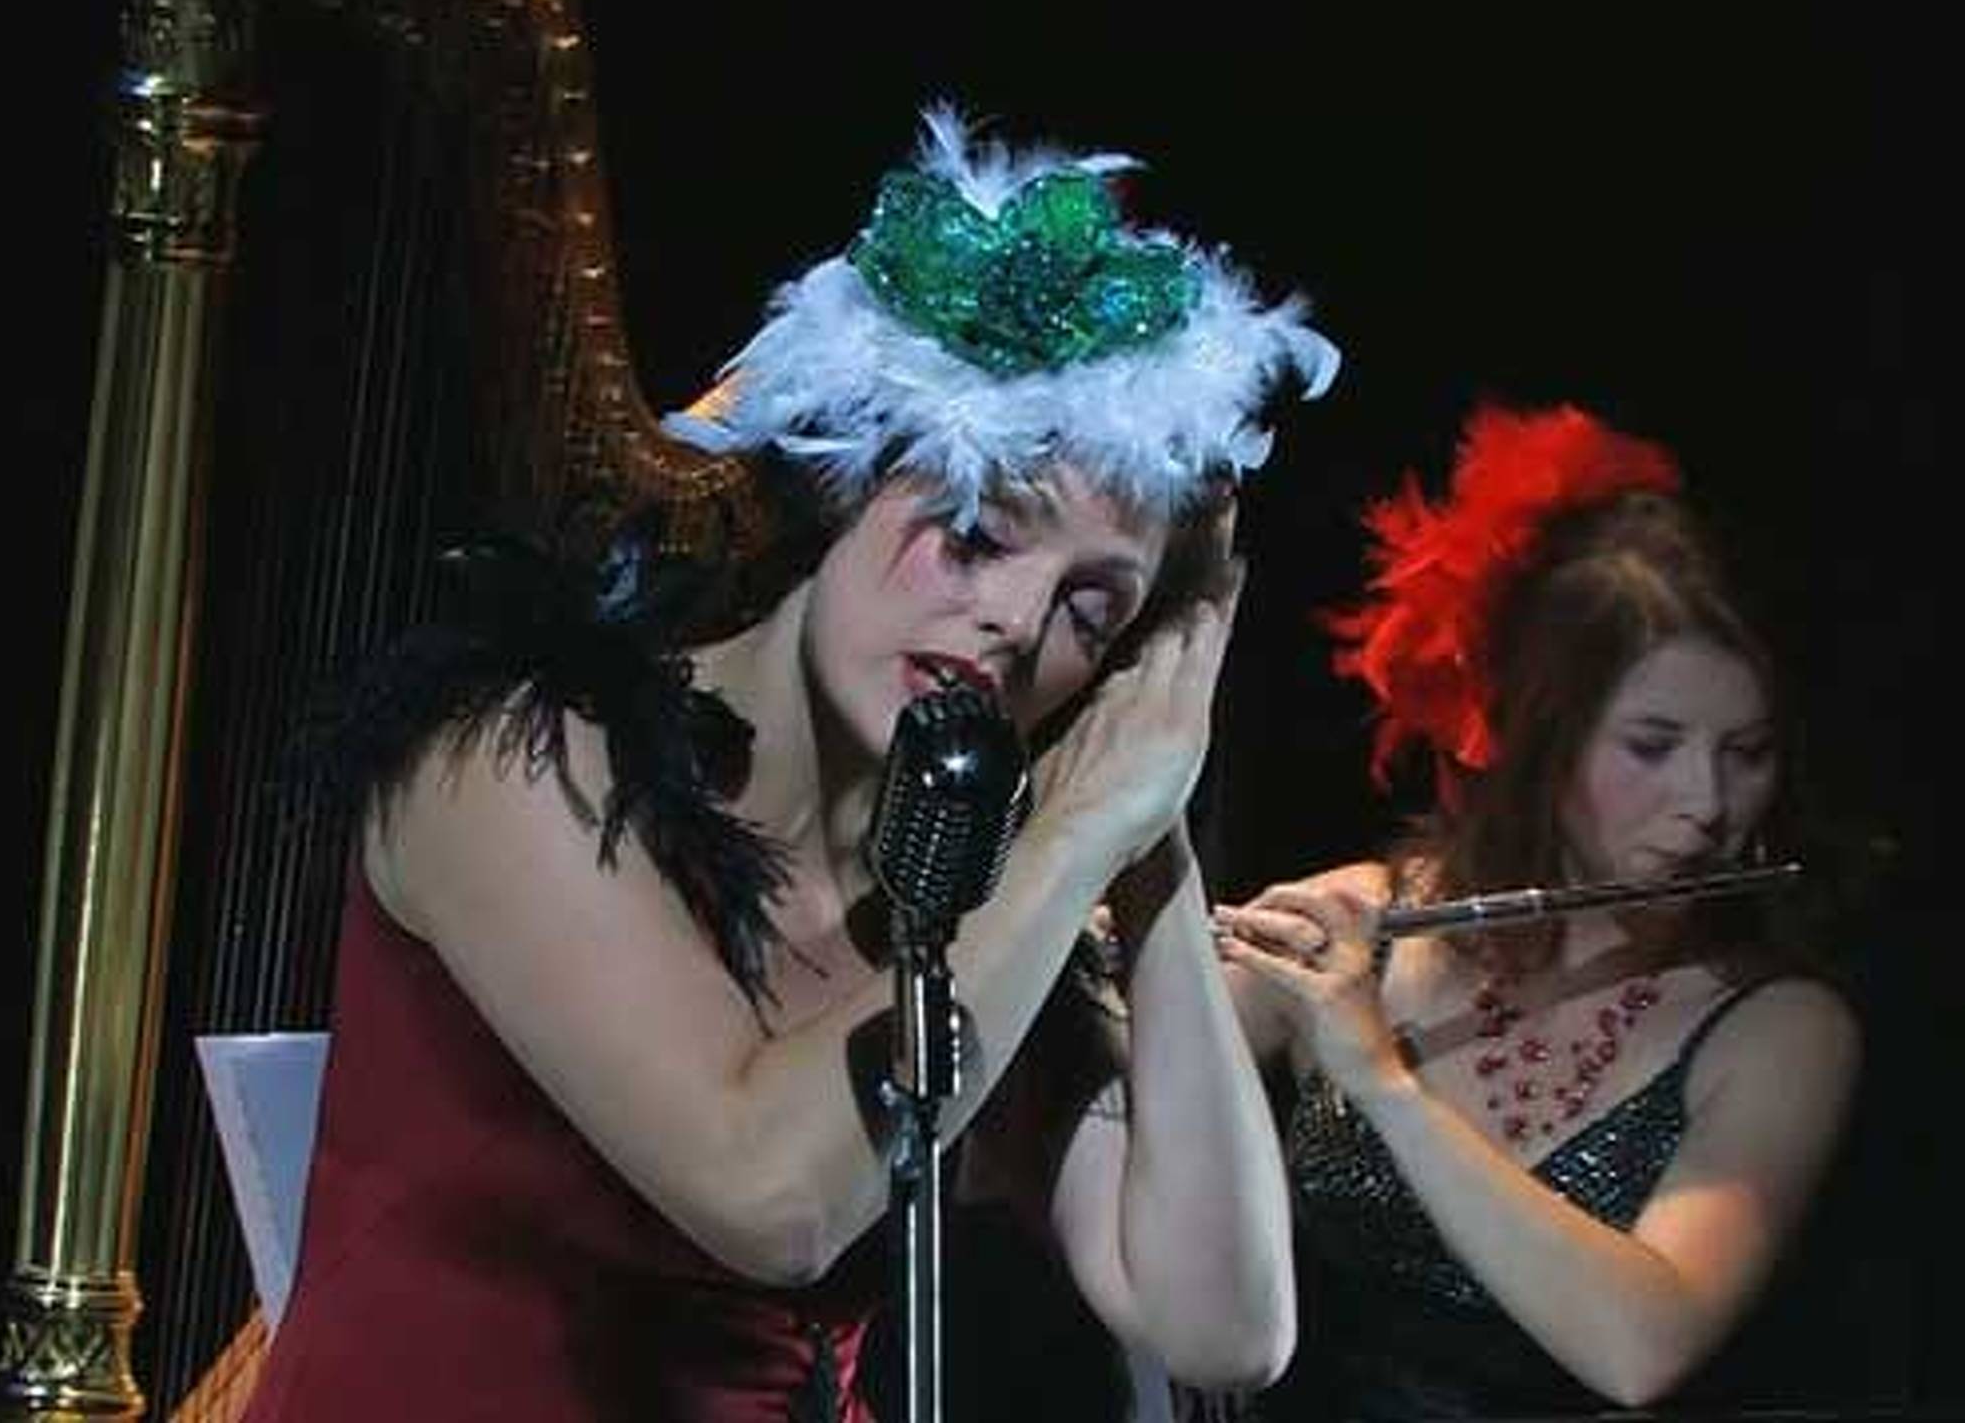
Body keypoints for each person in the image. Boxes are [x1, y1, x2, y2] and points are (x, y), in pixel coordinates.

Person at [241, 105, 1339, 1421]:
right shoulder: (511, 755)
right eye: (977, 532)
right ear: (848, 480)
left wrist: (1146, 842)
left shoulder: (980, 909)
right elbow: (771, 1199)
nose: (1013, 620)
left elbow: (1221, 1325)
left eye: (1088, 610)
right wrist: (1072, 839)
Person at [1214, 404, 1862, 1419]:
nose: (1706, 801)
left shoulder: (1778, 1030)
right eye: (1651, 746)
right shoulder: (1366, 923)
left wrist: (1381, 1081)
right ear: (1537, 738)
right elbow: (1104, 1094)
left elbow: (1638, 1349)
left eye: (1746, 754)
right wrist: (1126, 947)